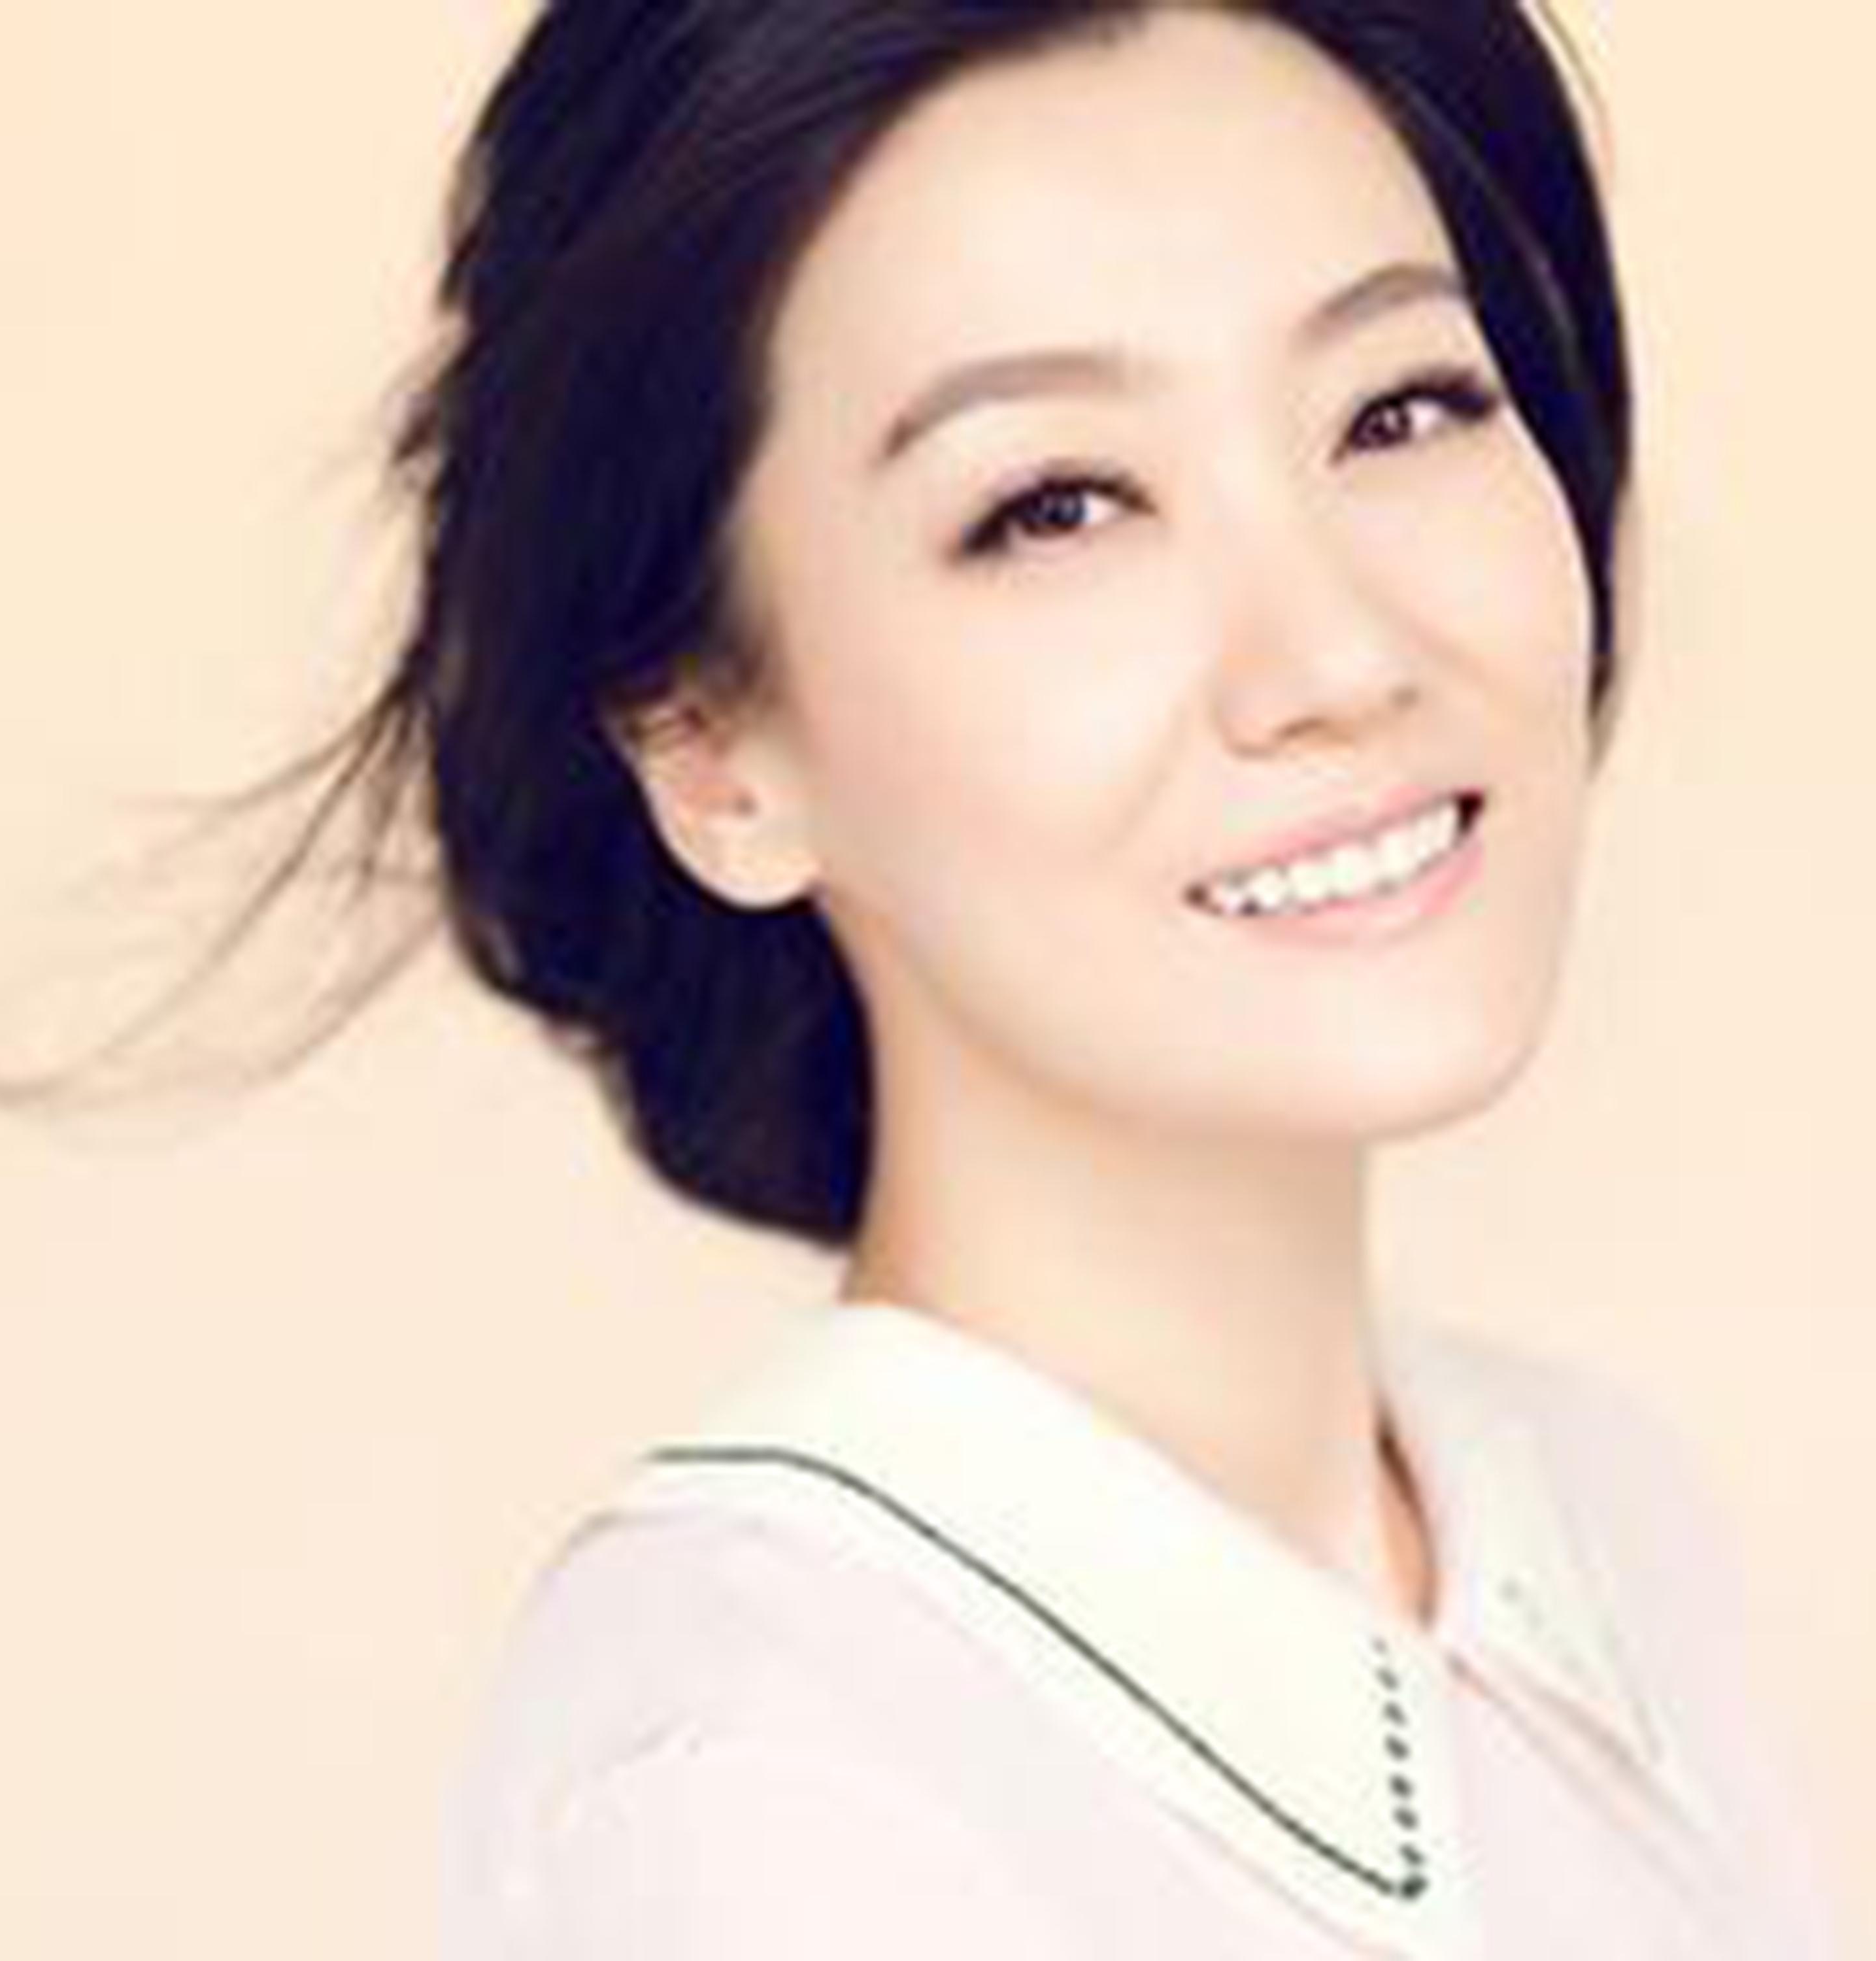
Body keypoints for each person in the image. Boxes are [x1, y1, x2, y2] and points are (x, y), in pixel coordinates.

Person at [254, 1, 1843, 1954]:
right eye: (1056, 508)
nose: (1341, 657)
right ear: (711, 747)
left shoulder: (1606, 1523)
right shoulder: (761, 1787)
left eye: (1402, 408)